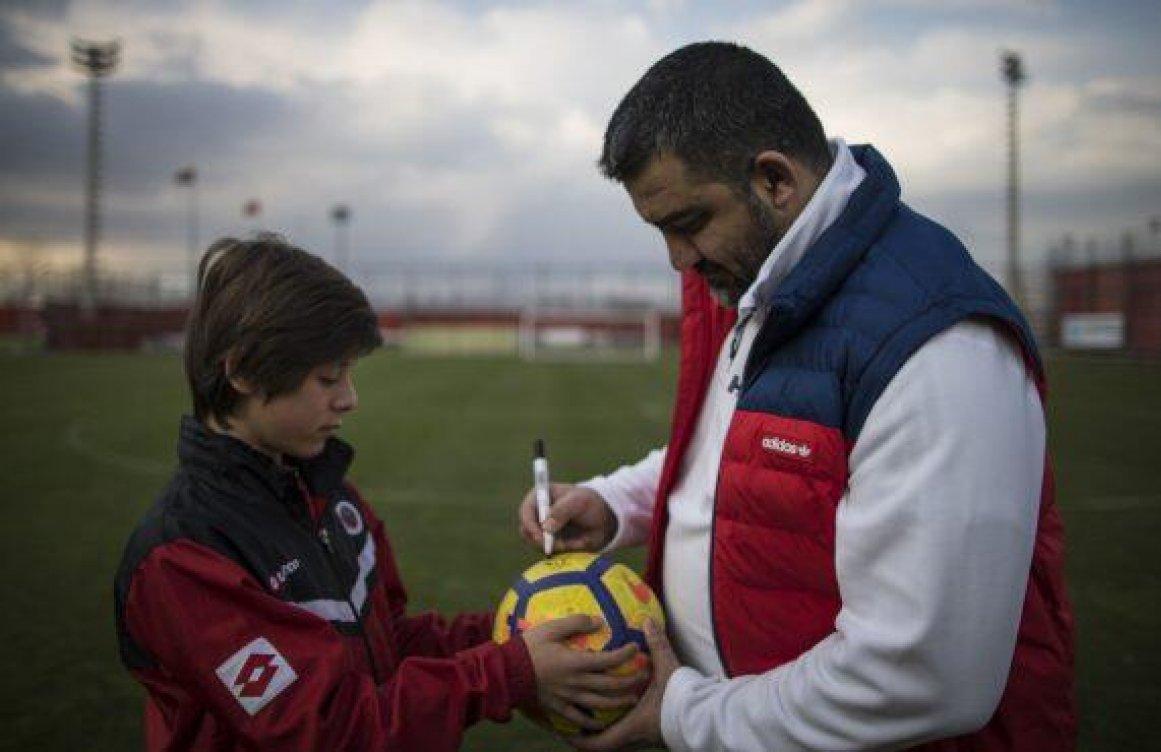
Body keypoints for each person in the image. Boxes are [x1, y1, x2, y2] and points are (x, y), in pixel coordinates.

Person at [519, 42, 1075, 751]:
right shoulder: (770, 279)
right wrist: (615, 502)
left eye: (688, 223)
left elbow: (922, 678)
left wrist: (687, 714)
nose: (676, 260)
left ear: (774, 180)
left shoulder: (936, 345)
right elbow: (739, 462)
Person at [114, 234, 645, 751]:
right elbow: (332, 730)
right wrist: (511, 670)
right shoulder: (181, 560)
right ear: (244, 372)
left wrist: (533, 623)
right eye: (328, 379)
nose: (350, 399)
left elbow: (390, 647)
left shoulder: (332, 499)